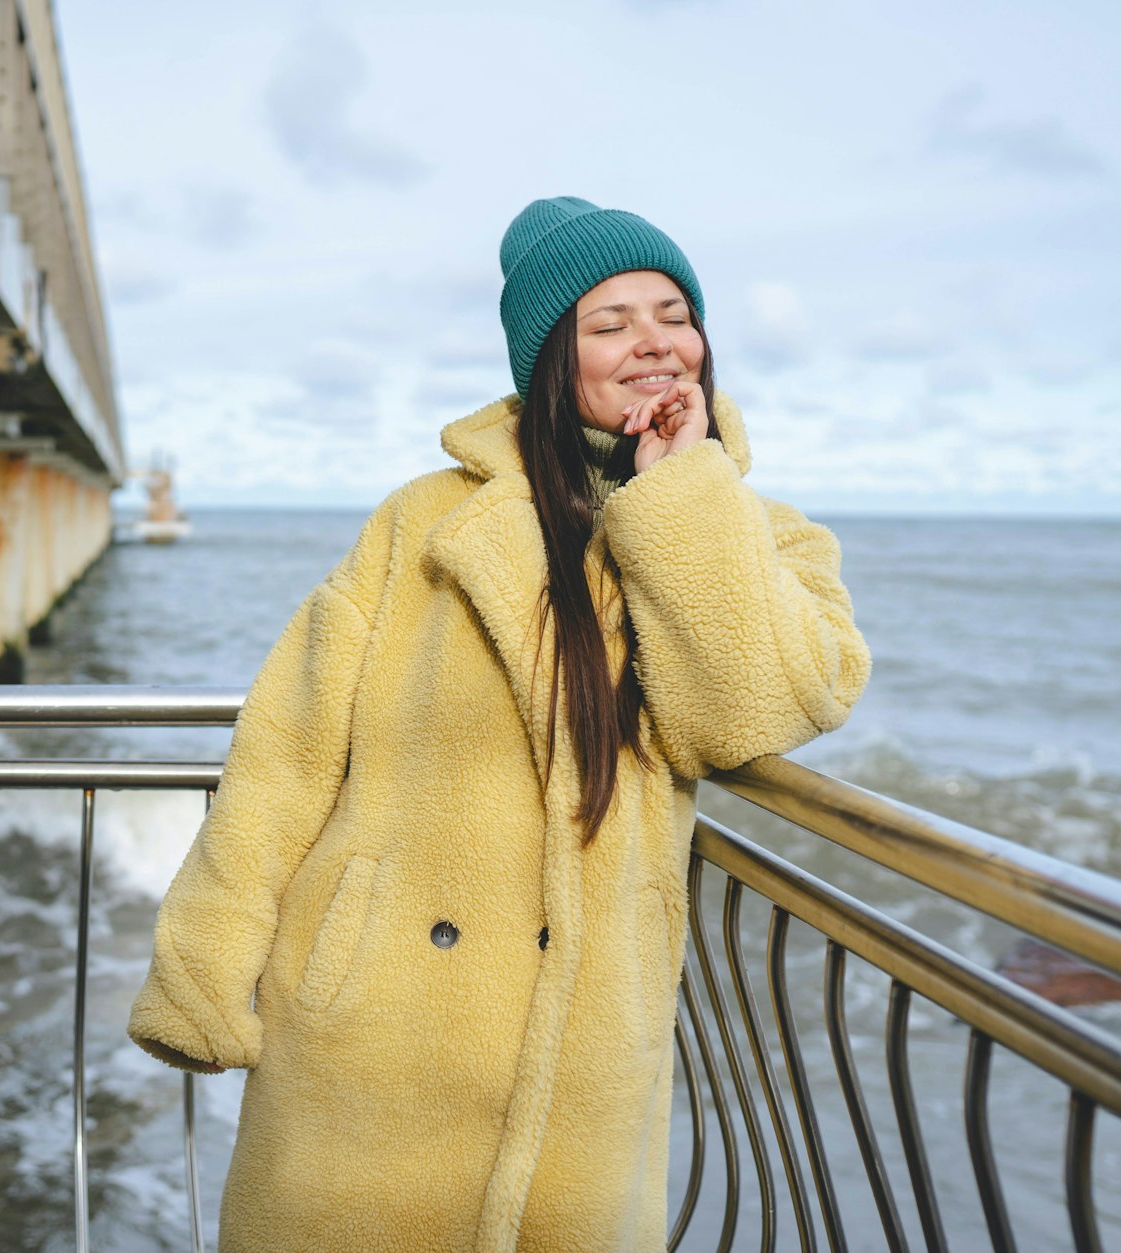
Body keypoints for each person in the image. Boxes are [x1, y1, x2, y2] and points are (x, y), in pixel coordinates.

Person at [126, 196, 872, 1252]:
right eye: (607, 322)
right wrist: (204, 959)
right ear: (549, 358)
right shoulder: (424, 521)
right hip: (369, 1026)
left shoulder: (759, 537)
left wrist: (675, 497)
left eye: (672, 313)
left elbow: (745, 717)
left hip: (583, 1044)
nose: (653, 341)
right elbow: (286, 748)